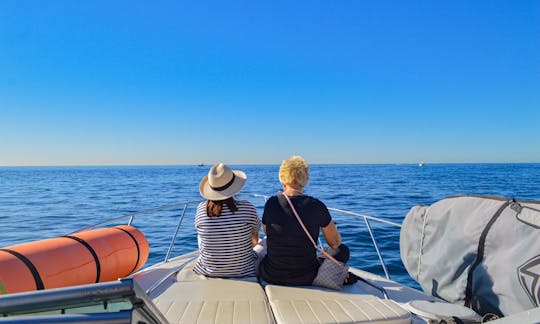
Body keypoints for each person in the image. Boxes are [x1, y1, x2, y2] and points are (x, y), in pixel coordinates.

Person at [258, 155, 351, 286]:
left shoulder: (271, 203)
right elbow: (335, 243)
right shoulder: (316, 205)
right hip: (307, 276)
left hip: (272, 274)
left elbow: (268, 233)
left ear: (282, 179)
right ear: (305, 179)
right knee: (342, 250)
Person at [193, 162, 261, 278]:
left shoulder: (200, 209)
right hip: (244, 270)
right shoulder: (247, 208)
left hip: (208, 270)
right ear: (234, 187)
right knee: (263, 245)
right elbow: (255, 239)